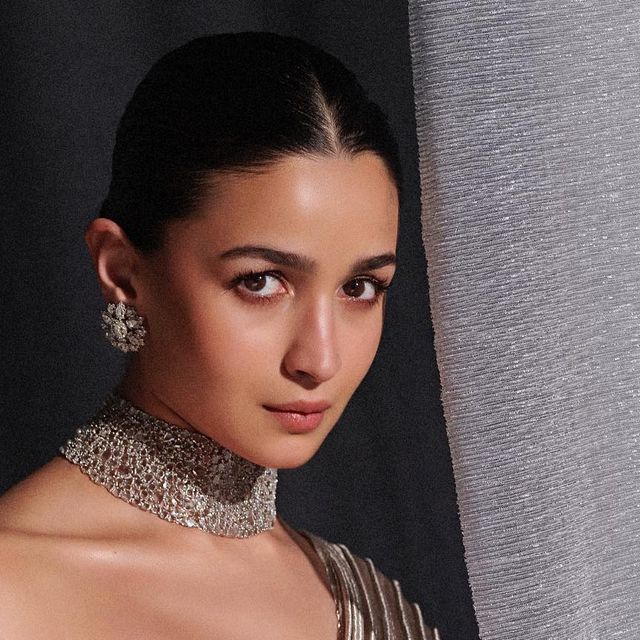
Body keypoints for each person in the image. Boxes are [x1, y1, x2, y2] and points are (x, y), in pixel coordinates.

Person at [0, 32, 439, 639]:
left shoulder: (367, 600)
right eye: (260, 281)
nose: (321, 359)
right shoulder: (15, 585)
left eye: (360, 288)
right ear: (124, 273)